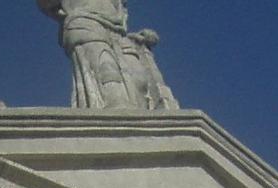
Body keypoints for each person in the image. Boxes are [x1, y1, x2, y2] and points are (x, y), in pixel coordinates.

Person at [38, 0, 177, 110]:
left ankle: (139, 124)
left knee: (140, 80)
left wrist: (134, 38)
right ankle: (118, 119)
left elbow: (119, 13)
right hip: (85, 23)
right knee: (108, 73)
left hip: (118, 33)